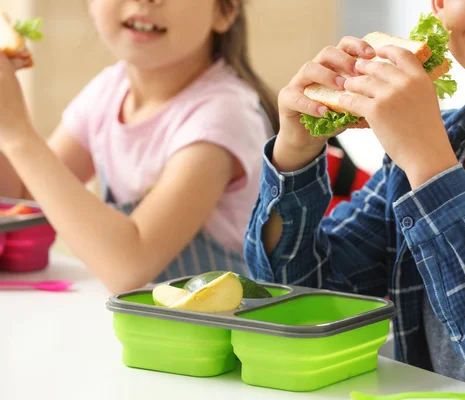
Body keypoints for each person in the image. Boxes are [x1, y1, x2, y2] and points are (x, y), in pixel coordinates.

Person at [244, 1, 465, 399]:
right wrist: (295, 153)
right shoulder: (437, 137)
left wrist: (427, 162)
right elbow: (300, 294)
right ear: (440, 5)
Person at [0, 0, 277, 293]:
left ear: (225, 11)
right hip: (142, 325)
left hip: (221, 330)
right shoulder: (108, 91)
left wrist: (19, 135)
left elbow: (128, 266)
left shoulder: (223, 115)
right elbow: (21, 195)